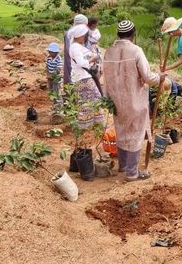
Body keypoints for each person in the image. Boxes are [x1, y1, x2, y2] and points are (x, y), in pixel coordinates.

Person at [103, 20, 164, 181]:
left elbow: (106, 80)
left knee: (122, 132)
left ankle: (123, 166)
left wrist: (106, 99)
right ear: (133, 34)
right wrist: (160, 77)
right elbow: (147, 77)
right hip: (134, 100)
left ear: (119, 34)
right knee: (135, 135)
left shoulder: (109, 52)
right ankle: (131, 172)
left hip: (116, 101)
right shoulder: (136, 51)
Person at [69, 24, 103, 129]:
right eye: (85, 35)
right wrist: (93, 59)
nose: (86, 37)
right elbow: (81, 62)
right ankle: (90, 126)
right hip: (82, 78)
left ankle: (88, 126)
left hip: (82, 77)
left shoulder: (76, 46)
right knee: (94, 99)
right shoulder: (75, 47)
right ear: (80, 36)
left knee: (87, 101)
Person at [63, 14, 88, 86]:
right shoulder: (70, 33)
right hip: (73, 61)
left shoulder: (75, 31)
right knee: (73, 81)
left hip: (75, 60)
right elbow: (70, 49)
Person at [45, 42, 63, 115]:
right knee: (51, 91)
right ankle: (54, 105)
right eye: (49, 51)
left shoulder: (58, 59)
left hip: (56, 79)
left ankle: (58, 108)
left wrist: (52, 76)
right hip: (50, 78)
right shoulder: (48, 58)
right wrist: (48, 75)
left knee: (56, 92)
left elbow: (58, 69)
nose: (49, 53)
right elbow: (47, 67)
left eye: (51, 52)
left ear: (55, 52)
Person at [86, 17, 103, 92]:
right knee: (91, 64)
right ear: (91, 24)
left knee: (98, 62)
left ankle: (97, 76)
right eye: (95, 24)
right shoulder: (87, 30)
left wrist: (91, 36)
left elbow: (97, 38)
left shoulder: (96, 31)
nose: (96, 26)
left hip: (95, 47)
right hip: (89, 48)